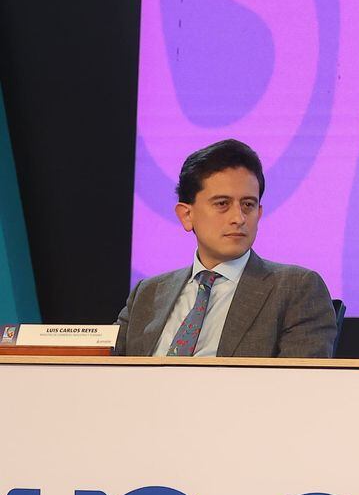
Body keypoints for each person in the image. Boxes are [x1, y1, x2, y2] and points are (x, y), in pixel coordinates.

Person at [113, 139, 338, 358]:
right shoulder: (148, 293)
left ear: (258, 214)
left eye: (248, 205)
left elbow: (297, 387)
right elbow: (99, 367)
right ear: (186, 215)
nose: (238, 218)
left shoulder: (296, 288)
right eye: (222, 204)